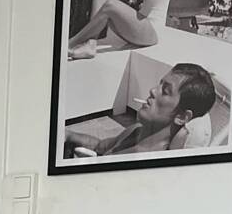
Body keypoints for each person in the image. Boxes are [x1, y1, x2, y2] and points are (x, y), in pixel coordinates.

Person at [64, 62, 216, 158]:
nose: (153, 90)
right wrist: (67, 135)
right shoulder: (136, 130)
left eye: (165, 91)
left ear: (182, 116)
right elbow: (100, 146)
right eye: (159, 84)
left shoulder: (148, 163)